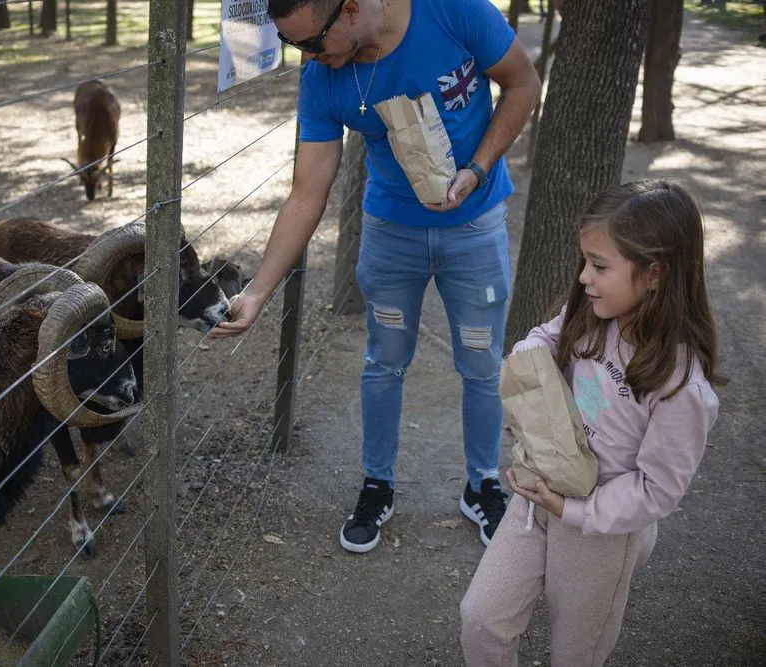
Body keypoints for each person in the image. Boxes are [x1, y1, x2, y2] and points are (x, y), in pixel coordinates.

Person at [211, 0, 540, 553]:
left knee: (482, 362)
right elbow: (307, 192)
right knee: (384, 360)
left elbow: (523, 84)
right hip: (391, 233)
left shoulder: (454, 11)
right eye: (293, 47)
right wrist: (258, 291)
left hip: (474, 227)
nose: (307, 57)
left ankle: (482, 483)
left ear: (352, 9)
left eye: (312, 42)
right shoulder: (323, 78)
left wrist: (479, 167)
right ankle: (377, 483)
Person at [459, 180, 722, 665]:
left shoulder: (682, 388)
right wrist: (530, 372)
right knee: (481, 620)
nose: (584, 277)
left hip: (600, 535)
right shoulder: (594, 312)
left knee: (575, 653)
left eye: (599, 266)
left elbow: (657, 491)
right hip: (535, 500)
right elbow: (543, 336)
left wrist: (572, 510)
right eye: (585, 261)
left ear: (655, 274)